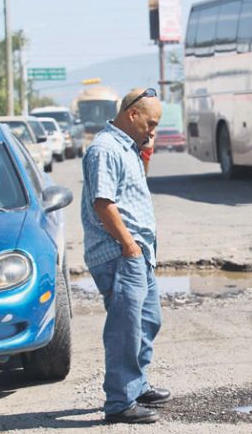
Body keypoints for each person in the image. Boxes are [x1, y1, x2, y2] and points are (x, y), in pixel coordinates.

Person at [81, 87, 169, 424]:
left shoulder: (127, 148)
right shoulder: (104, 149)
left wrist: (145, 155)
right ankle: (120, 402)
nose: (152, 131)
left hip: (136, 254)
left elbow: (130, 193)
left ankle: (137, 385)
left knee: (148, 321)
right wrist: (129, 245)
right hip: (119, 253)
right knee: (125, 328)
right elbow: (103, 203)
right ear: (132, 114)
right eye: (150, 123)